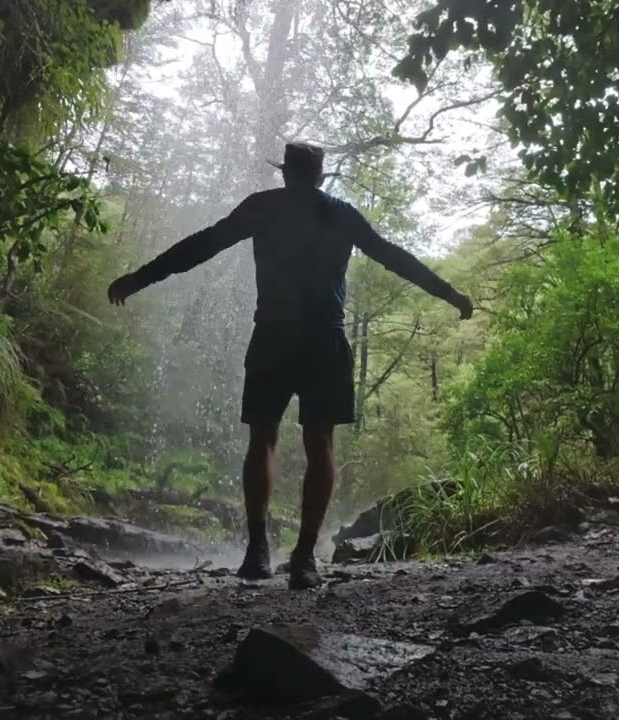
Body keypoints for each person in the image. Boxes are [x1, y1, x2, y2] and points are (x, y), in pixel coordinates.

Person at [106, 142, 473, 589]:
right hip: (325, 338)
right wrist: (449, 293)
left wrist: (139, 277)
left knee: (262, 439)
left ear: (285, 174)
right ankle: (303, 559)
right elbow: (394, 257)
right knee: (321, 443)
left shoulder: (263, 208)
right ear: (319, 177)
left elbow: (201, 246)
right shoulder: (342, 213)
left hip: (273, 335)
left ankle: (257, 552)